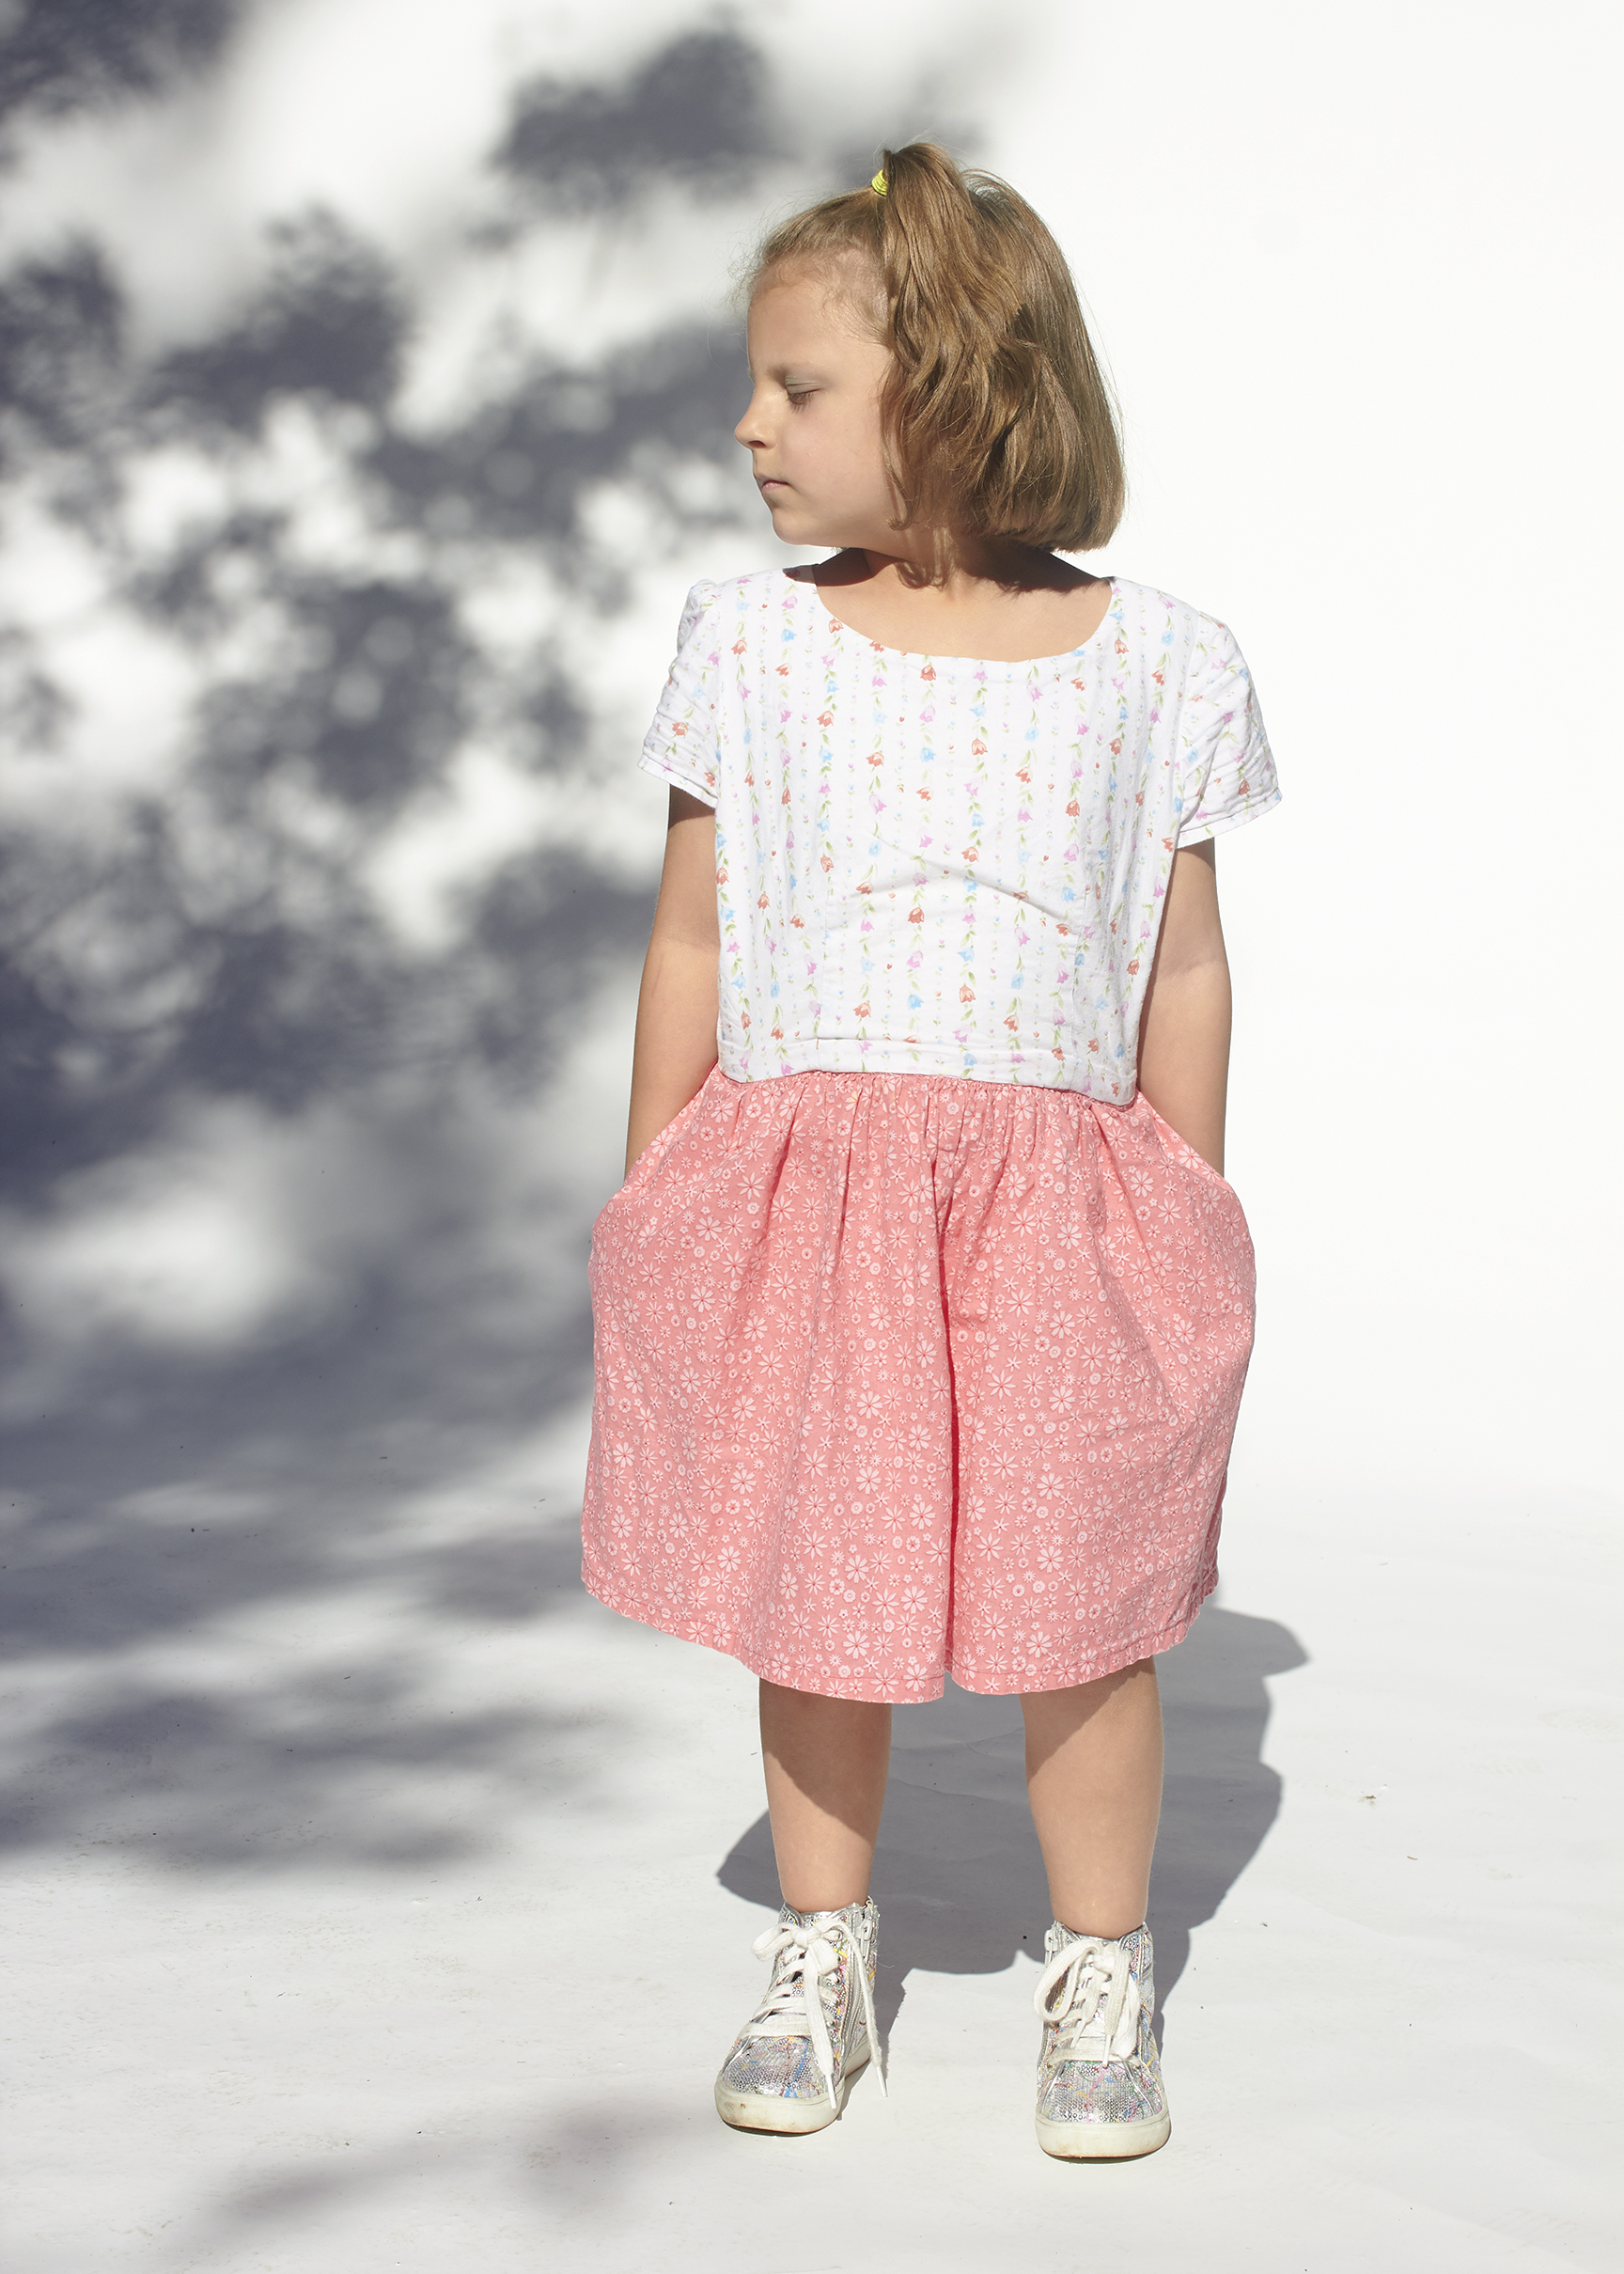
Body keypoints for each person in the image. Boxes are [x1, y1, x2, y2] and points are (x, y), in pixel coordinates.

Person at [580, 141, 1279, 2159]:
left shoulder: (1166, 661)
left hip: (1063, 1210)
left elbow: (1188, 962)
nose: (749, 424)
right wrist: (658, 1199)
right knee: (822, 1592)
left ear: (963, 387)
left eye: (795, 385)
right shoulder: (749, 641)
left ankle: (1103, 1962)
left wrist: (1186, 1211)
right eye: (757, 384)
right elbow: (694, 931)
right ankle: (821, 1945)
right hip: (809, 1201)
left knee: (1087, 1612)